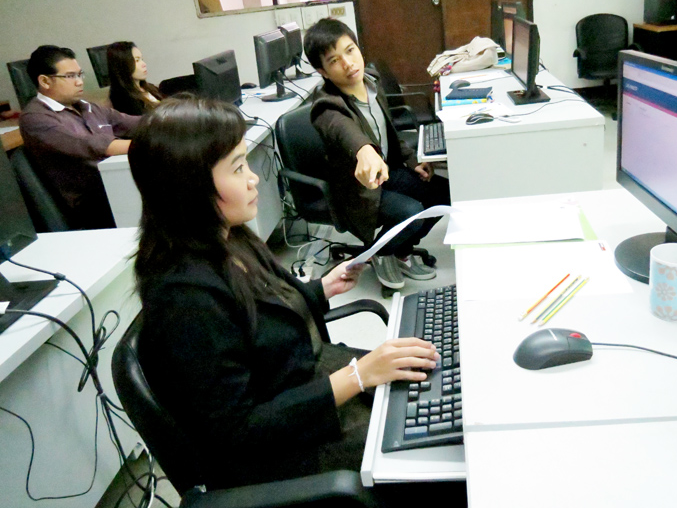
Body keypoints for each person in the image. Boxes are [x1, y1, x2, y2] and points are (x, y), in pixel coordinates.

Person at [128, 95, 443, 492]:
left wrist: (321, 289)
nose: (253, 179)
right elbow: (239, 429)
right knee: (432, 453)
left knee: (431, 385)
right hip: (283, 454)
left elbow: (258, 317)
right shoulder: (184, 296)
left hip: (304, 388)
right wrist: (358, 376)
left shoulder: (228, 237)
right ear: (188, 186)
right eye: (237, 168)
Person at [304, 18, 451, 291]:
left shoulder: (371, 82)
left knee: (444, 193)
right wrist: (364, 150)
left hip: (388, 173)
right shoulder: (326, 106)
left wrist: (412, 160)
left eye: (350, 50)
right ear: (322, 71)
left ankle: (400, 250)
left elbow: (390, 132)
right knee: (411, 211)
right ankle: (380, 253)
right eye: (334, 60)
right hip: (358, 190)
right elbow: (344, 130)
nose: (348, 63)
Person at [19, 45, 140, 230]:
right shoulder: (36, 118)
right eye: (70, 76)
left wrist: (174, 120)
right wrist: (147, 145)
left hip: (118, 185)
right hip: (93, 206)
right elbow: (88, 145)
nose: (79, 82)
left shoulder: (87, 107)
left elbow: (133, 123)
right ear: (45, 81)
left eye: (79, 74)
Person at [108, 41, 164, 116]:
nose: (144, 64)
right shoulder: (124, 100)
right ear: (122, 65)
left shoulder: (148, 87)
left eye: (142, 59)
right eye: (137, 60)